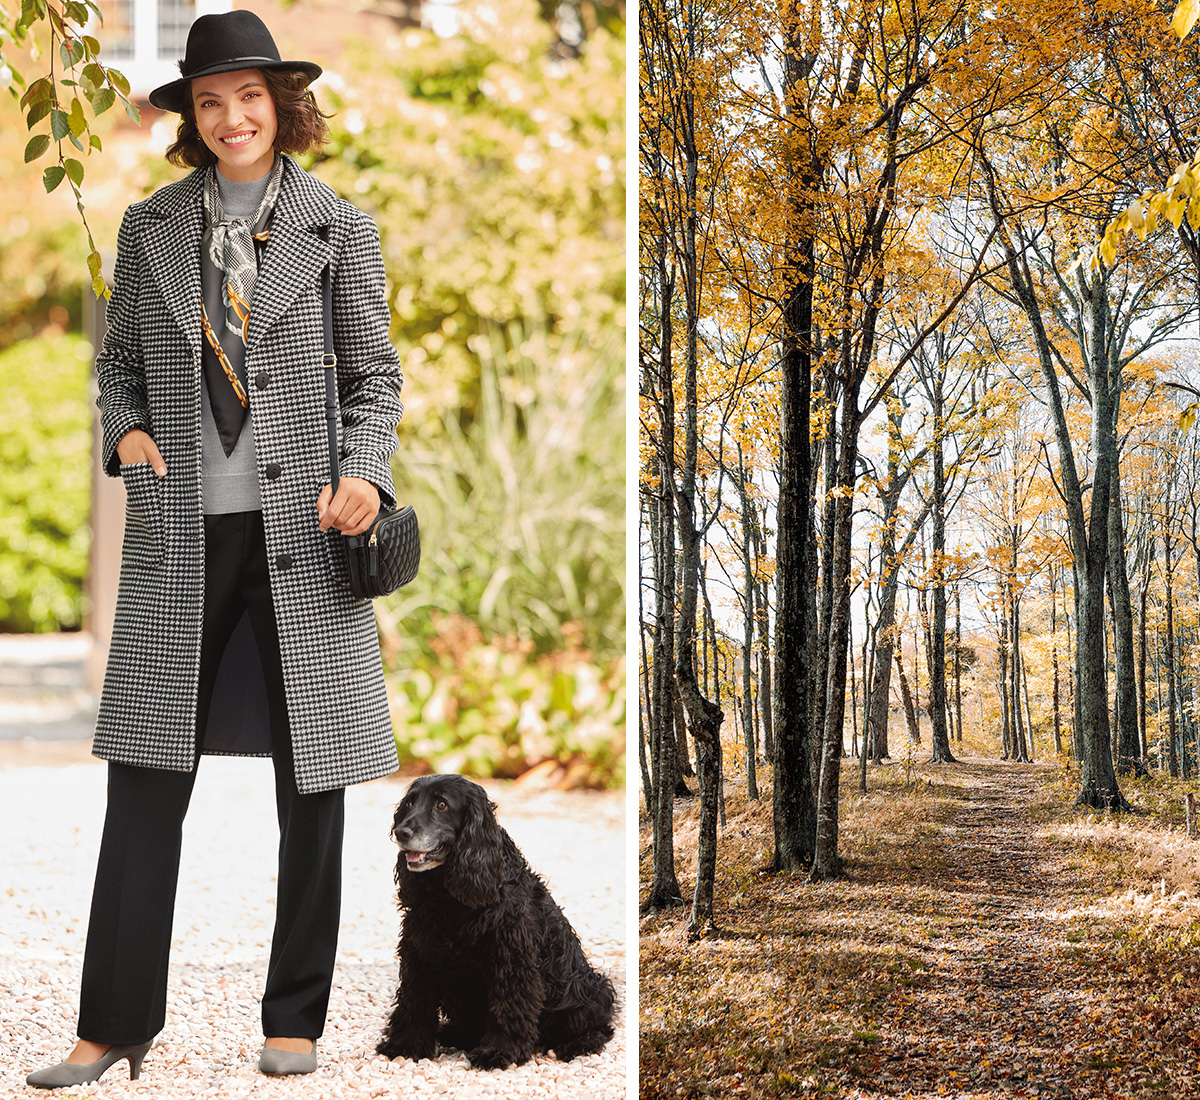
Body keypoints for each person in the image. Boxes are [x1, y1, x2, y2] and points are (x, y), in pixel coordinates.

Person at [26, 9, 404, 1088]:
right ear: (191, 118)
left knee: (312, 781)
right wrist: (127, 432)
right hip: (178, 536)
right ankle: (111, 1026)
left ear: (282, 105)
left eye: (250, 96)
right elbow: (119, 375)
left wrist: (365, 472)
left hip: (307, 536)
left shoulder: (343, 227)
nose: (233, 117)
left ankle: (294, 1018)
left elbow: (374, 376)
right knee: (144, 778)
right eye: (210, 100)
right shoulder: (151, 229)